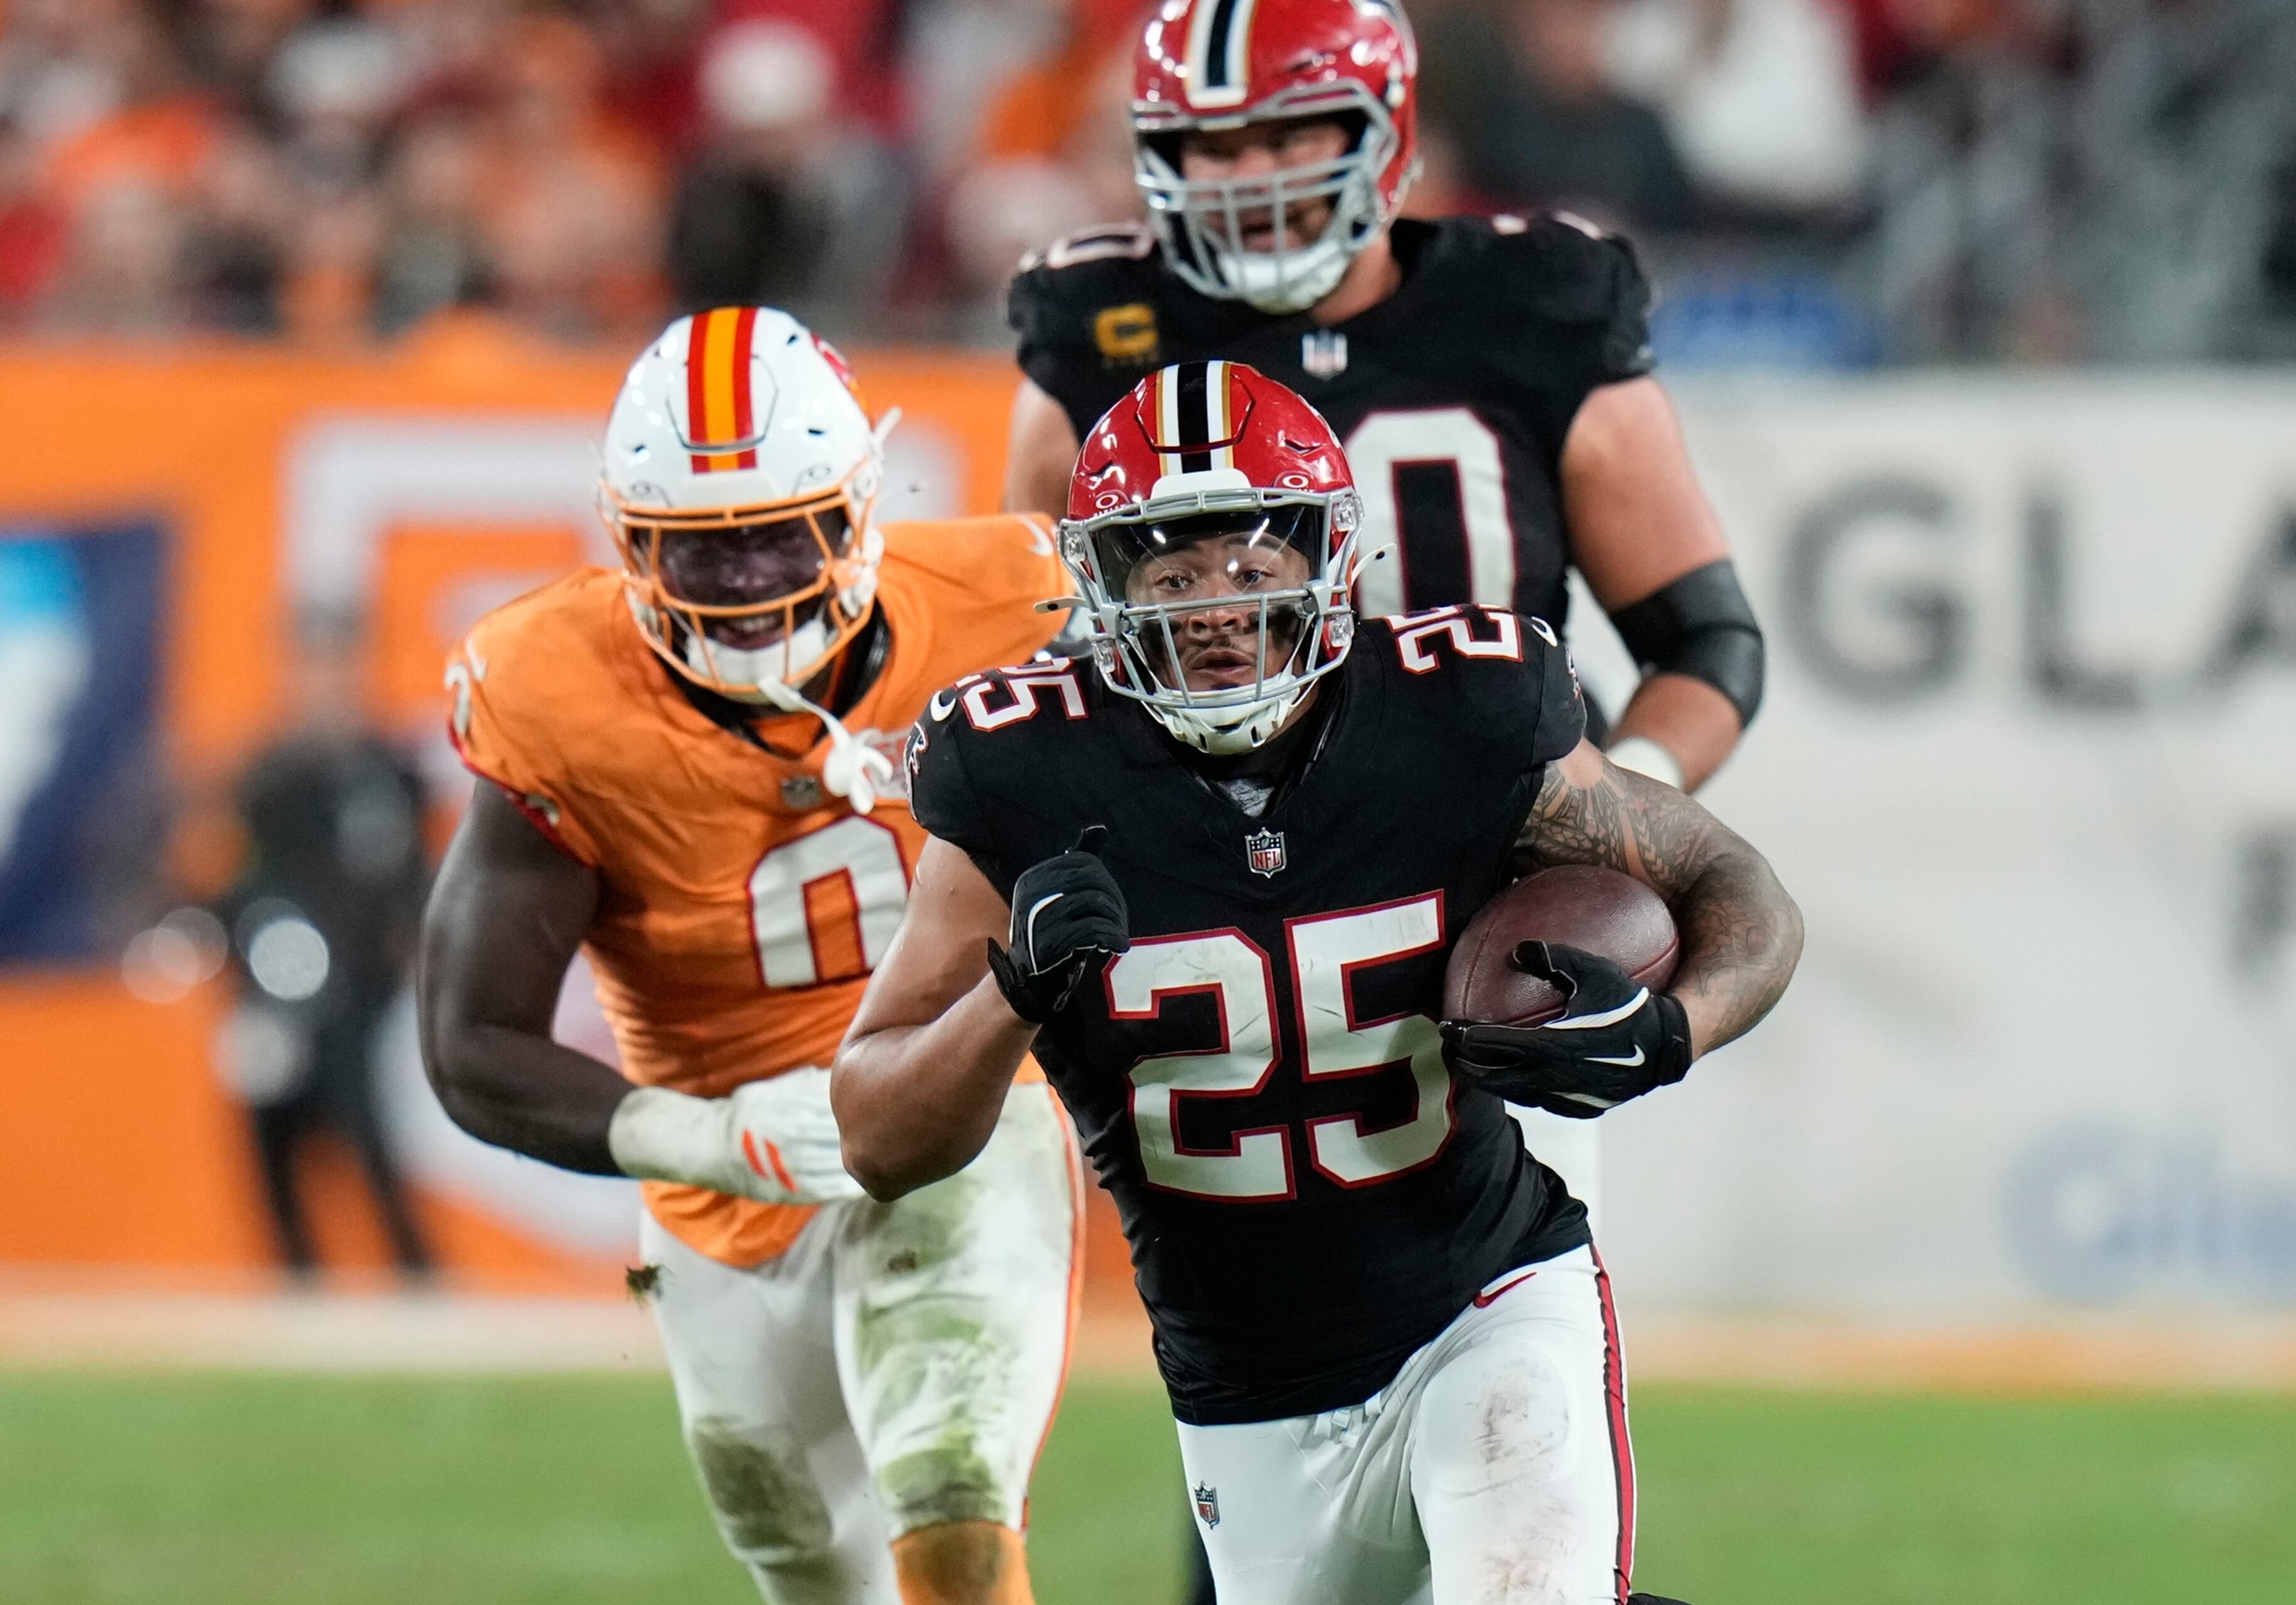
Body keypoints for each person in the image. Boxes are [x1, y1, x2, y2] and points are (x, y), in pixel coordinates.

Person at [836, 363, 1803, 1605]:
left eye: (1252, 563)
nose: (1217, 607)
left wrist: (1675, 1026)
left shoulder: (1460, 709)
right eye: (1170, 573)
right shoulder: (1020, 772)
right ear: (1105, 584)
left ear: (1330, 559)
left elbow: (1739, 889)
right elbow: (874, 1130)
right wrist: (1008, 996)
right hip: (1245, 1382)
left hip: (1486, 1292)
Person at [417, 306, 1081, 1605]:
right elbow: (471, 1045)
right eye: (699, 550)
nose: (747, 581)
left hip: (964, 1101)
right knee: (803, 1559)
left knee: (952, 1490)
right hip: (724, 1178)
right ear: (627, 540)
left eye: (780, 532)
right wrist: (715, 1138)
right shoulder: (555, 689)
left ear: (860, 507)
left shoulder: (1014, 599)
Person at [1000, 0, 1762, 800]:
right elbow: (1033, 656)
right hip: (1212, 847)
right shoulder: (1098, 332)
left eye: (1290, 136)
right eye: (1217, 147)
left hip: (1495, 821)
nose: (1254, 179)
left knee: (1622, 920)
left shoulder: (1533, 307)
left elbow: (1703, 637)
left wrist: (1620, 801)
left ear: (1384, 132)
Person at [216, 622, 433, 1280]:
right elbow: (245, 880)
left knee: (366, 1126)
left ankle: (416, 1273)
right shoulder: (268, 775)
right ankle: (296, 1273)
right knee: (271, 1126)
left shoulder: (387, 768)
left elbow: (410, 873)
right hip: (280, 983)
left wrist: (406, 945)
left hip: (361, 984)